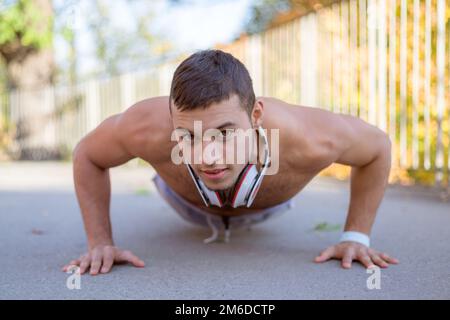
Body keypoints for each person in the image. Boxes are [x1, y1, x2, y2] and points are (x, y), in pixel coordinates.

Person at [62, 49, 399, 276]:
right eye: (189, 135)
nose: (209, 156)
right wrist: (100, 243)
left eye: (224, 133)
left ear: (255, 115)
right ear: (171, 118)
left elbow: (377, 148)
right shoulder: (147, 127)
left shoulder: (311, 137)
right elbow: (88, 155)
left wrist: (356, 237)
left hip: (269, 205)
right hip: (183, 199)